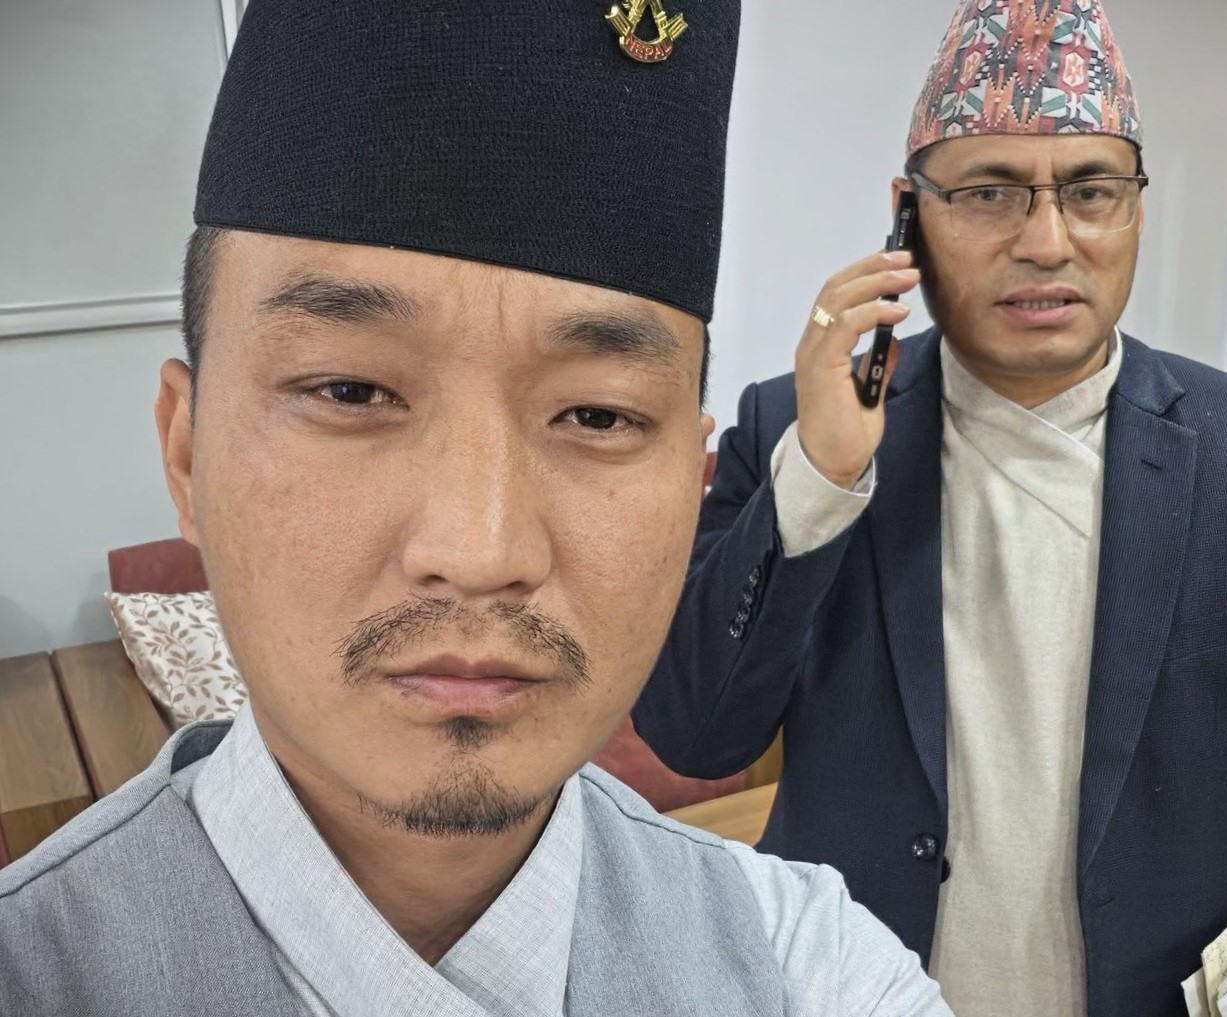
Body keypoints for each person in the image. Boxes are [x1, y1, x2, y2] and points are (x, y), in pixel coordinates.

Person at [0, 3, 953, 1015]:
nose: (481, 547)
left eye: (598, 414)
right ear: (187, 453)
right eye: (351, 391)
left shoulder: (803, 965)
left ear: (689, 477)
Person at [633, 1, 1227, 1015]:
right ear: (907, 214)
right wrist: (817, 479)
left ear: (1137, 210)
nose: (1046, 241)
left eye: (1091, 191)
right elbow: (694, 736)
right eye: (988, 193)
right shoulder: (794, 426)